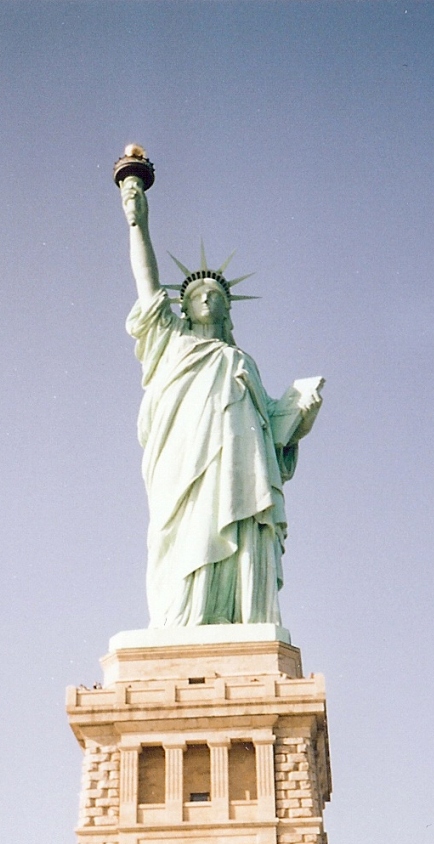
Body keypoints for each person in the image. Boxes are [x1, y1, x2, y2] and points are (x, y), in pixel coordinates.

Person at [119, 169, 324, 629]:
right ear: (184, 307)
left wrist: (300, 412)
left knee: (239, 518)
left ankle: (239, 614)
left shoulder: (241, 360)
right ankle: (185, 618)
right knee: (187, 529)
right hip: (183, 461)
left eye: (215, 294)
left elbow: (272, 431)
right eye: (197, 294)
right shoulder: (171, 342)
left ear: (228, 310)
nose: (207, 298)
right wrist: (137, 221)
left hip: (238, 463)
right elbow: (147, 283)